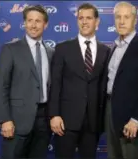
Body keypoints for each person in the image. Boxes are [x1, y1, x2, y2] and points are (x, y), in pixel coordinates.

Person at [48, 3, 110, 159]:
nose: (84, 22)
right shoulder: (63, 48)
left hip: (93, 122)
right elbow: (55, 84)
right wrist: (54, 115)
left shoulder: (106, 51)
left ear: (97, 22)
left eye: (89, 18)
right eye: (80, 18)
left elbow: (103, 86)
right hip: (65, 122)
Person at [0, 5, 54, 159]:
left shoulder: (51, 52)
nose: (33, 25)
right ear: (25, 23)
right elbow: (1, 86)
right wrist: (5, 119)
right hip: (17, 120)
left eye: (38, 21)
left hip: (44, 120)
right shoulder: (10, 49)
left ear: (45, 24)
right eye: (30, 21)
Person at [104, 1, 138, 159]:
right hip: (110, 113)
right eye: (118, 17)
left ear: (135, 21)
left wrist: (136, 120)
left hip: (132, 119)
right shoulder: (113, 47)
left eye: (126, 17)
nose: (121, 21)